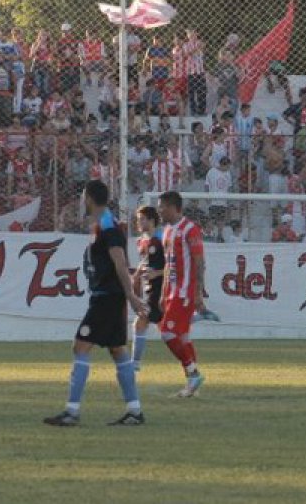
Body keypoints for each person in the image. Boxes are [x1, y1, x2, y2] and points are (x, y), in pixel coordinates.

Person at [44, 180, 147, 427]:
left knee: (80, 347)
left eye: (82, 196)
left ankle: (72, 411)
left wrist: (131, 295)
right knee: (117, 350)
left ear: (89, 198)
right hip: (110, 297)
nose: (81, 201)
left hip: (107, 298)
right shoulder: (104, 225)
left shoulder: (108, 227)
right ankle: (134, 411)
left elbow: (120, 263)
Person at [157, 190, 207, 397]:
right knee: (183, 336)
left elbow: (199, 262)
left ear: (172, 207)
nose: (159, 211)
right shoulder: (167, 230)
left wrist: (198, 293)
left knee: (167, 332)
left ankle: (193, 373)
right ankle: (191, 384)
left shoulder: (190, 229)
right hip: (172, 291)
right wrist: (162, 292)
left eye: (162, 207)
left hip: (185, 291)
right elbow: (168, 264)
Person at [131, 206, 165, 372]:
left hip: (162, 288)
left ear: (151, 220)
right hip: (150, 289)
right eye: (138, 219)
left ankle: (134, 364)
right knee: (169, 326)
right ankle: (198, 316)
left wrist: (157, 272)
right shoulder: (141, 241)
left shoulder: (162, 240)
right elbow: (145, 261)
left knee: (140, 322)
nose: (138, 222)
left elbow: (176, 265)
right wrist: (137, 275)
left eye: (142, 219)